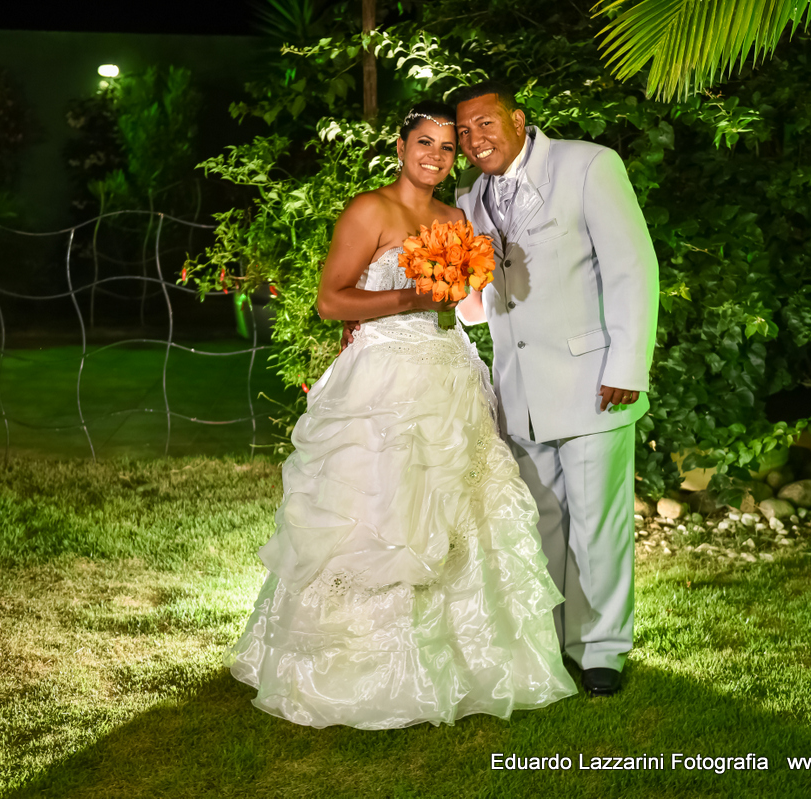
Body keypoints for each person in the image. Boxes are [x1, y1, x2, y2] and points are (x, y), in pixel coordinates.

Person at [227, 101, 577, 729]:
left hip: (448, 373)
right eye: (425, 143)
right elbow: (331, 301)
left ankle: (466, 661)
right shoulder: (370, 209)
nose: (436, 156)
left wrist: (475, 278)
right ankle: (358, 668)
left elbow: (467, 309)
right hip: (383, 381)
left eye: (447, 147)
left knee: (458, 510)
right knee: (380, 511)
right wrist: (409, 297)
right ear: (400, 147)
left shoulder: (455, 217)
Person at [451, 81, 659, 697]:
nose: (474, 139)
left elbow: (632, 267)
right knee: (543, 523)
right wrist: (454, 287)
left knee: (598, 525)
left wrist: (627, 367)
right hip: (518, 392)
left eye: (485, 123)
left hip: (594, 382)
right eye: (464, 131)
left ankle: (601, 650)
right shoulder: (470, 199)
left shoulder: (588, 165)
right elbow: (480, 307)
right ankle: (553, 641)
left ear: (517, 120)